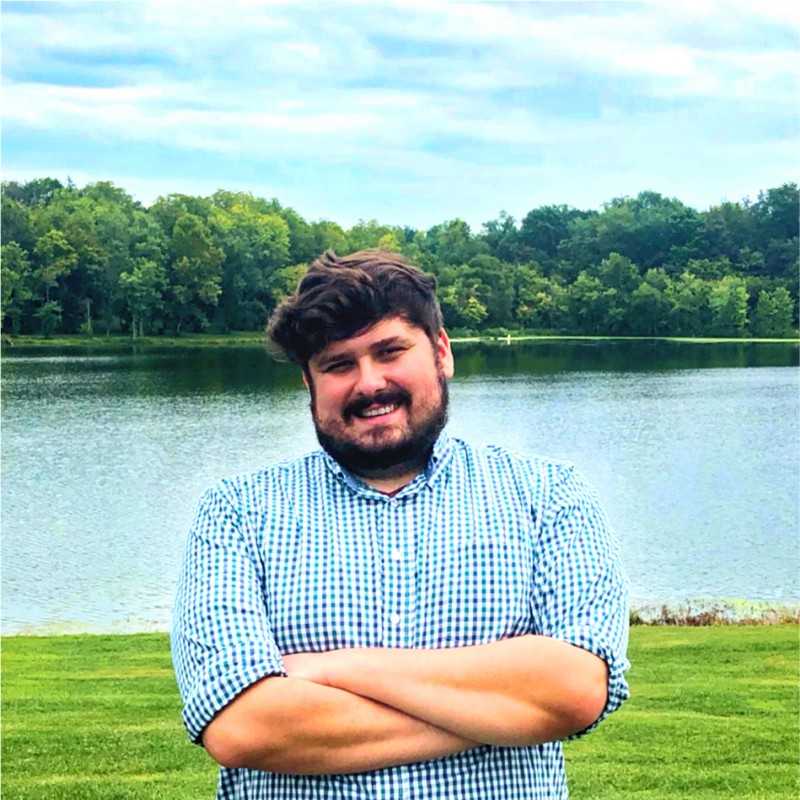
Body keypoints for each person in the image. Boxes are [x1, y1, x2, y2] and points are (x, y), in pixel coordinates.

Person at [171, 249, 630, 800]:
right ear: (308, 382)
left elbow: (573, 690)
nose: (369, 383)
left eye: (390, 351)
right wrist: (503, 712)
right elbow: (244, 727)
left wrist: (334, 669)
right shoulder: (237, 512)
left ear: (441, 351)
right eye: (338, 365)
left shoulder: (547, 496)